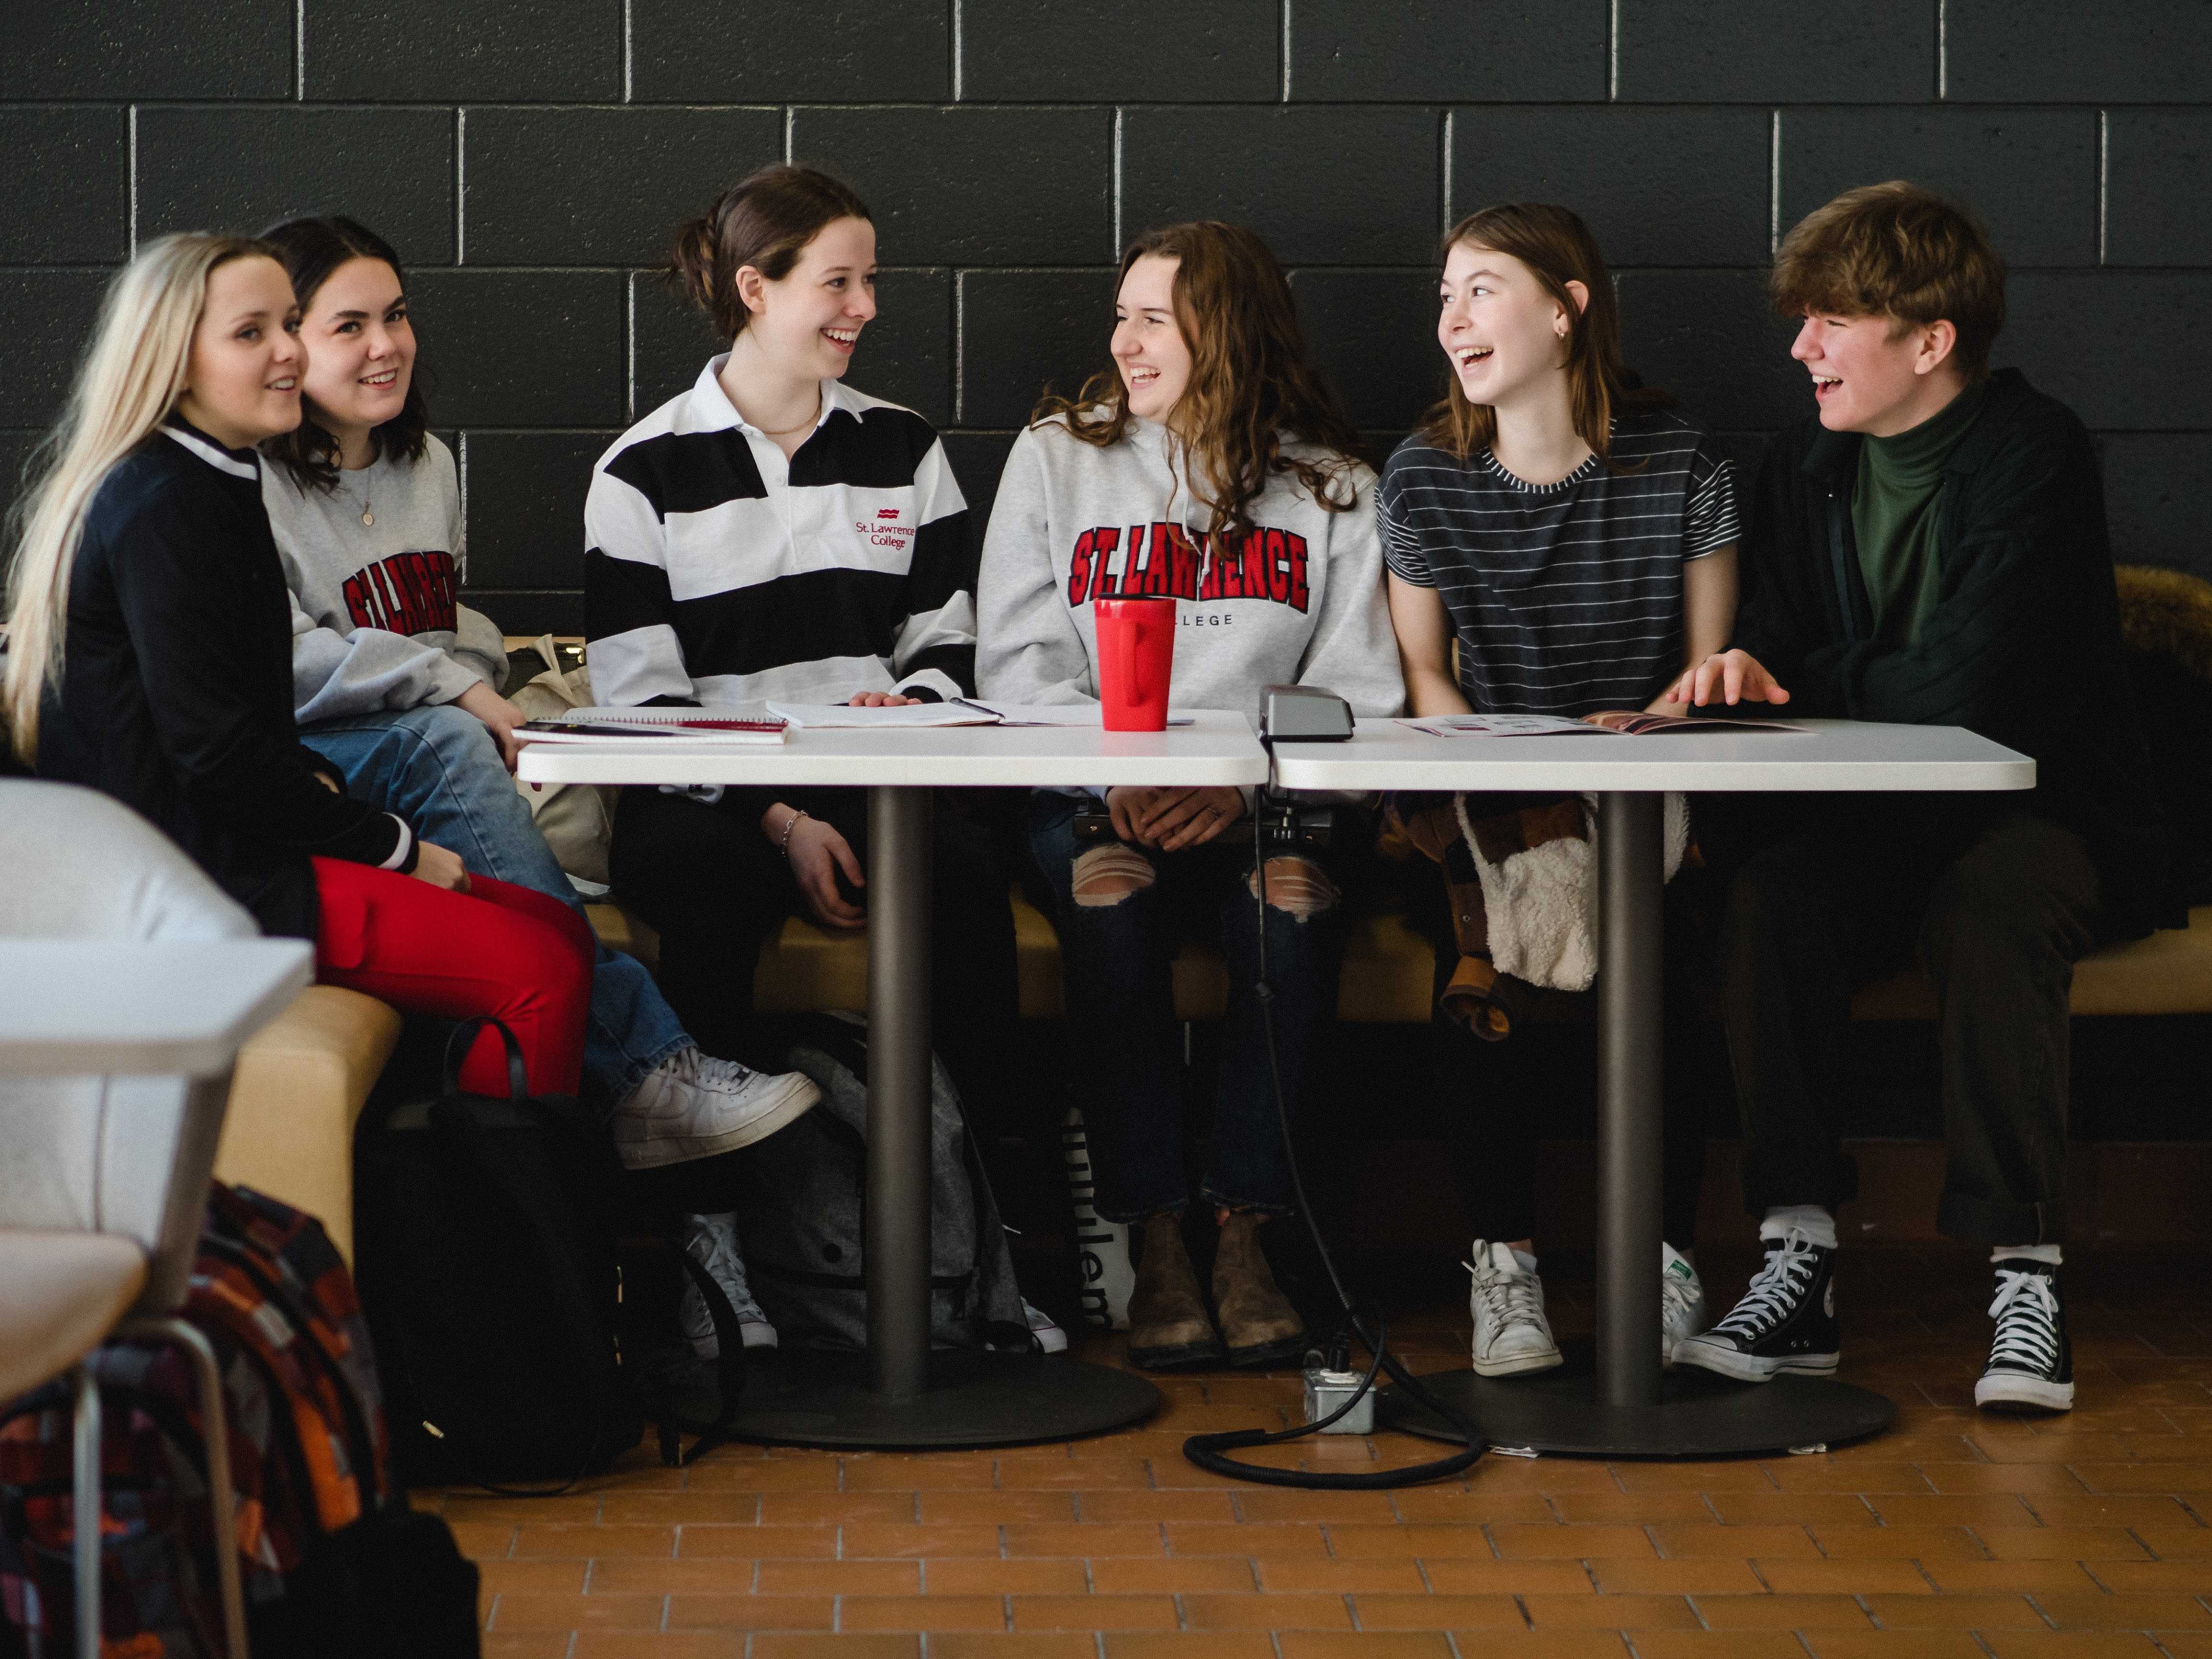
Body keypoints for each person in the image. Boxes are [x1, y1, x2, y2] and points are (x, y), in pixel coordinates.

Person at [253, 215, 819, 1356]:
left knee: (501, 841)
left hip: (418, 761)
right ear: (286, 348)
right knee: (456, 743)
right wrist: (451, 692)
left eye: (396, 316)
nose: (384, 347)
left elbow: (436, 639)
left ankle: (659, 1240)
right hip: (313, 766)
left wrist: (459, 684)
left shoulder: (427, 464)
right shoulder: (247, 483)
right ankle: (655, 1067)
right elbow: (286, 664)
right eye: (347, 325)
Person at [1666, 182, 2181, 1413]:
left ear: (1927, 341)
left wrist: (1799, 685)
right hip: (1873, 819)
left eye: (1829, 322)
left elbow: (1970, 683)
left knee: (1990, 906)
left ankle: (2024, 1272)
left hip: (2041, 812)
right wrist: (1746, 672)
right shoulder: (1803, 465)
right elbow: (1784, 650)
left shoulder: (2030, 450)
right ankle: (1797, 1254)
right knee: (1769, 900)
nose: (1799, 349)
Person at [584, 167, 1050, 1348]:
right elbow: (641, 708)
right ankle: (715, 1255)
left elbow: (948, 651)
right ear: (756, 289)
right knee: (710, 879)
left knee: (957, 873)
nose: (866, 306)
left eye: (870, 281)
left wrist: (887, 757)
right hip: (705, 788)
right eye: (838, 282)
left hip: (876, 770)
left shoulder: (902, 446)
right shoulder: (641, 472)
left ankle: (1001, 1254)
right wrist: (780, 819)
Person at [3, 232, 591, 1100]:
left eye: (288, 323)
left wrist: (332, 798)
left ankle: (448, 1185)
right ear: (177, 360)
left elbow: (239, 735)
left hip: (223, 851)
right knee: (544, 969)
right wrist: (391, 849)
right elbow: (216, 759)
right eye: (252, 334)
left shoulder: (215, 478)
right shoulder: (168, 504)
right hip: (184, 885)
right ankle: (517, 1225)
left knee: (555, 930)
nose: (287, 351)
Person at [977, 220, 1402, 1370]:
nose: (1122, 341)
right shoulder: (1058, 457)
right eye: (1119, 316)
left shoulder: (1333, 489)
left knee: (1290, 907)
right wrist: (1125, 769)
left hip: (1264, 800)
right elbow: (1016, 669)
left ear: (1224, 331)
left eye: (1151, 318)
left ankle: (1246, 1237)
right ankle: (1156, 1236)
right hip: (1094, 788)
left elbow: (1360, 691)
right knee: (1108, 909)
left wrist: (1233, 784)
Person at [1378, 203, 1742, 1379]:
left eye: (1480, 289)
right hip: (1487, 794)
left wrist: (1639, 749)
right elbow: (1425, 677)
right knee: (1479, 959)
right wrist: (1512, 784)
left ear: (1566, 307)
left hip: (1642, 793)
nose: (1452, 319)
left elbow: (1701, 681)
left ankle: (1666, 1262)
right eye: (1444, 295)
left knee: (1669, 955)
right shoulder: (1423, 478)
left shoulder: (1680, 460)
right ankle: (1504, 1263)